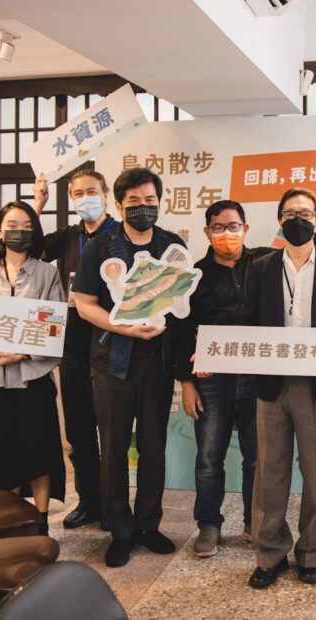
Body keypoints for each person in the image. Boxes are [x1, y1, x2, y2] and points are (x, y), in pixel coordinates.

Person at [73, 167, 186, 568]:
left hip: (158, 363)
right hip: (111, 364)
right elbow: (85, 305)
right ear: (118, 206)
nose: (143, 208)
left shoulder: (172, 245)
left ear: (160, 203)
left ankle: (148, 525)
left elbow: (181, 301)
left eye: (150, 201)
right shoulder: (100, 248)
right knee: (114, 449)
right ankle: (120, 530)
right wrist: (122, 326)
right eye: (134, 201)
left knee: (154, 447)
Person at [245, 187, 316, 589]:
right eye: (290, 213)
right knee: (269, 472)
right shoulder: (260, 267)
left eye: (306, 213)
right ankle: (270, 554)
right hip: (271, 383)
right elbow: (249, 322)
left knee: (314, 472)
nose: (298, 219)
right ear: (280, 219)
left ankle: (311, 552)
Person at [176, 200, 272, 558]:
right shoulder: (194, 276)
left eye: (233, 227)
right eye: (218, 227)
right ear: (207, 232)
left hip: (259, 376)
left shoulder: (265, 264)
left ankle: (253, 522)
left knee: (257, 458)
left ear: (245, 229)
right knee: (208, 457)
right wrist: (187, 383)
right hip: (212, 380)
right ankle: (209, 525)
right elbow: (181, 331)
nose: (226, 234)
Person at [0, 201, 66, 533]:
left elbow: (56, 329)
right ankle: (6, 521)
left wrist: (21, 354)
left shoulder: (47, 273)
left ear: (34, 232)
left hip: (32, 379)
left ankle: (40, 520)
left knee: (39, 452)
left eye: (26, 226)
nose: (18, 232)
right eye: (11, 225)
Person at [32, 171, 117, 530]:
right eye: (78, 193)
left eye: (92, 191)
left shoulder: (120, 234)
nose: (86, 198)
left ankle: (113, 506)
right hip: (70, 347)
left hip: (110, 345)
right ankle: (89, 502)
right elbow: (29, 248)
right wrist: (38, 204)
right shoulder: (68, 236)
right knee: (79, 434)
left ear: (106, 194)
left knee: (111, 435)